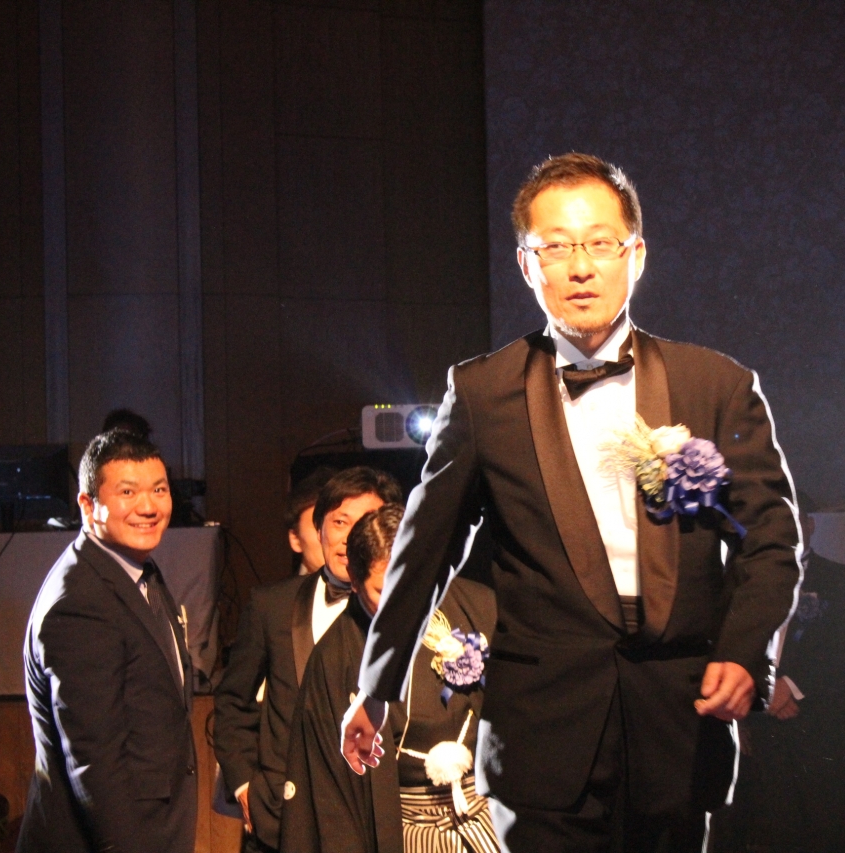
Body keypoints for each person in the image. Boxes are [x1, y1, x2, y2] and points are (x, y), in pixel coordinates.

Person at [341, 152, 802, 852]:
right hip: (541, 734)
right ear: (528, 266)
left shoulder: (716, 384)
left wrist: (746, 653)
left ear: (635, 256)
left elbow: (771, 537)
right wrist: (377, 684)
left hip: (678, 722)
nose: (580, 267)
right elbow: (424, 550)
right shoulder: (482, 392)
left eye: (599, 244)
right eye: (555, 247)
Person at [280, 504, 499, 852]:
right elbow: (330, 793)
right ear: (354, 580)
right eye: (385, 590)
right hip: (404, 830)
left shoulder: (478, 606)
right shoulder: (335, 658)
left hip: (488, 816)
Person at [18, 429, 196, 853]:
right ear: (87, 504)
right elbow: (93, 760)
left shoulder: (135, 569)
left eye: (159, 490)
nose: (148, 507)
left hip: (156, 827)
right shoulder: (80, 601)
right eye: (128, 492)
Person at [215, 466, 404, 853]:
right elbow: (233, 702)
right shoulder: (271, 605)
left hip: (380, 815)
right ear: (319, 529)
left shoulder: (410, 610)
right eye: (340, 522)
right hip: (284, 816)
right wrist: (246, 786)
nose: (350, 537)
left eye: (366, 522)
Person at [739, 493, 845, 851]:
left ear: (810, 525)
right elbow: (742, 643)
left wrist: (792, 687)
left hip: (818, 725)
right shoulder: (751, 579)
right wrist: (764, 695)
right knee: (775, 830)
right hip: (766, 726)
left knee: (824, 830)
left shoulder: (842, 580)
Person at [287, 467, 337, 576]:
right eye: (319, 525)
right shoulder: (276, 588)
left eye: (340, 523)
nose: (335, 537)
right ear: (295, 539)